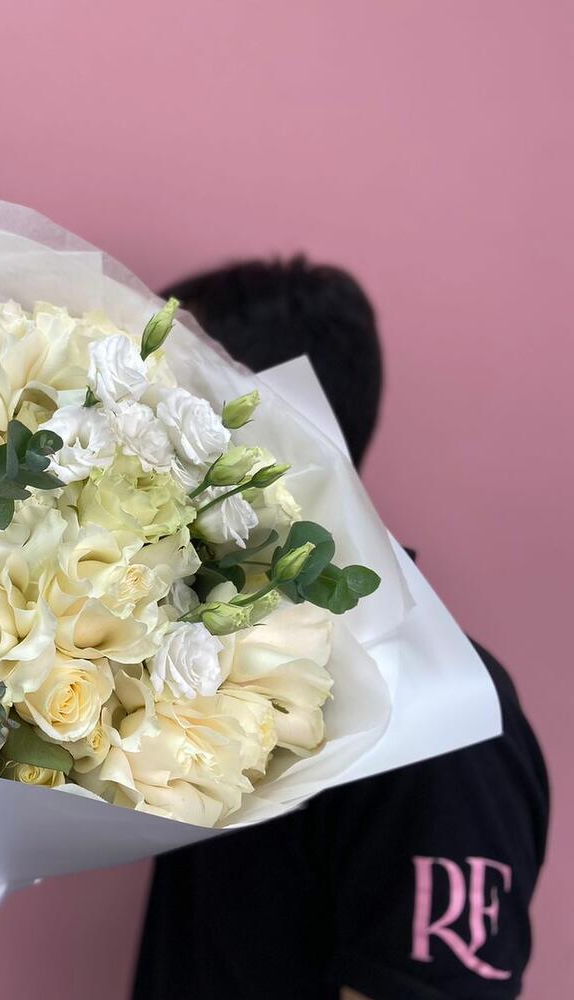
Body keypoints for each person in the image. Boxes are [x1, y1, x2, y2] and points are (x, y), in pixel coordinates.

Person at [132, 258, 550, 1000]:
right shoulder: (207, 664)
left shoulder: (437, 720)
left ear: (267, 428)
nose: (129, 433)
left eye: (163, 406)